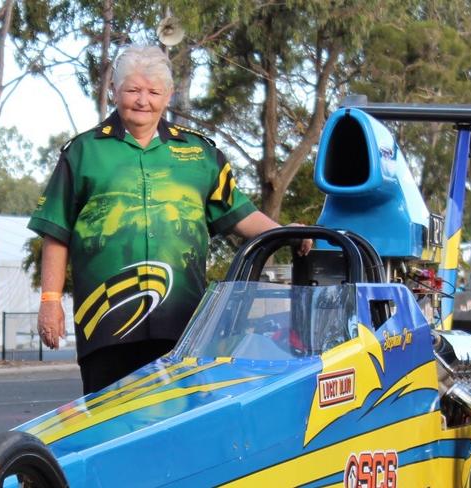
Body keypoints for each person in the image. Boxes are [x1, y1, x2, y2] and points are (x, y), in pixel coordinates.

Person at [27, 45, 311, 394]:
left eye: (153, 92)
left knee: (179, 421)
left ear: (169, 96)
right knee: (110, 425)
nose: (142, 100)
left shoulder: (200, 154)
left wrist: (285, 233)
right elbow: (57, 231)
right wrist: (50, 302)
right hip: (107, 323)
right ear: (115, 91)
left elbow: (239, 213)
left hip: (184, 322)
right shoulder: (84, 153)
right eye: (132, 90)